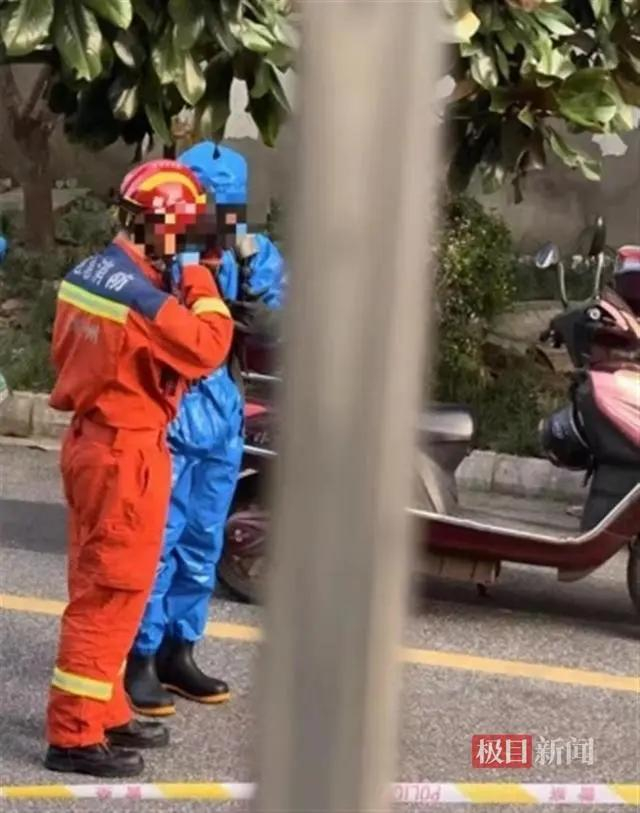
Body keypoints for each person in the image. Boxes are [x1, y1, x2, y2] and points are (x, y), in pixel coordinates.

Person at [45, 159, 234, 777]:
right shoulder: (146, 299)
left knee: (105, 585)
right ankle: (75, 734)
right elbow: (209, 346)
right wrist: (199, 278)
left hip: (93, 442)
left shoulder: (92, 273)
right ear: (167, 229)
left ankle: (106, 710)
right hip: (126, 452)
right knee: (112, 592)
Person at [125, 143, 284, 716]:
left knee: (203, 539)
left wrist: (248, 266)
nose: (217, 216)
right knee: (158, 539)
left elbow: (275, 316)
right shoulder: (157, 250)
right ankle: (139, 656)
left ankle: (179, 651)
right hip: (169, 408)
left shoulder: (249, 252)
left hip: (222, 412)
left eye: (227, 206)